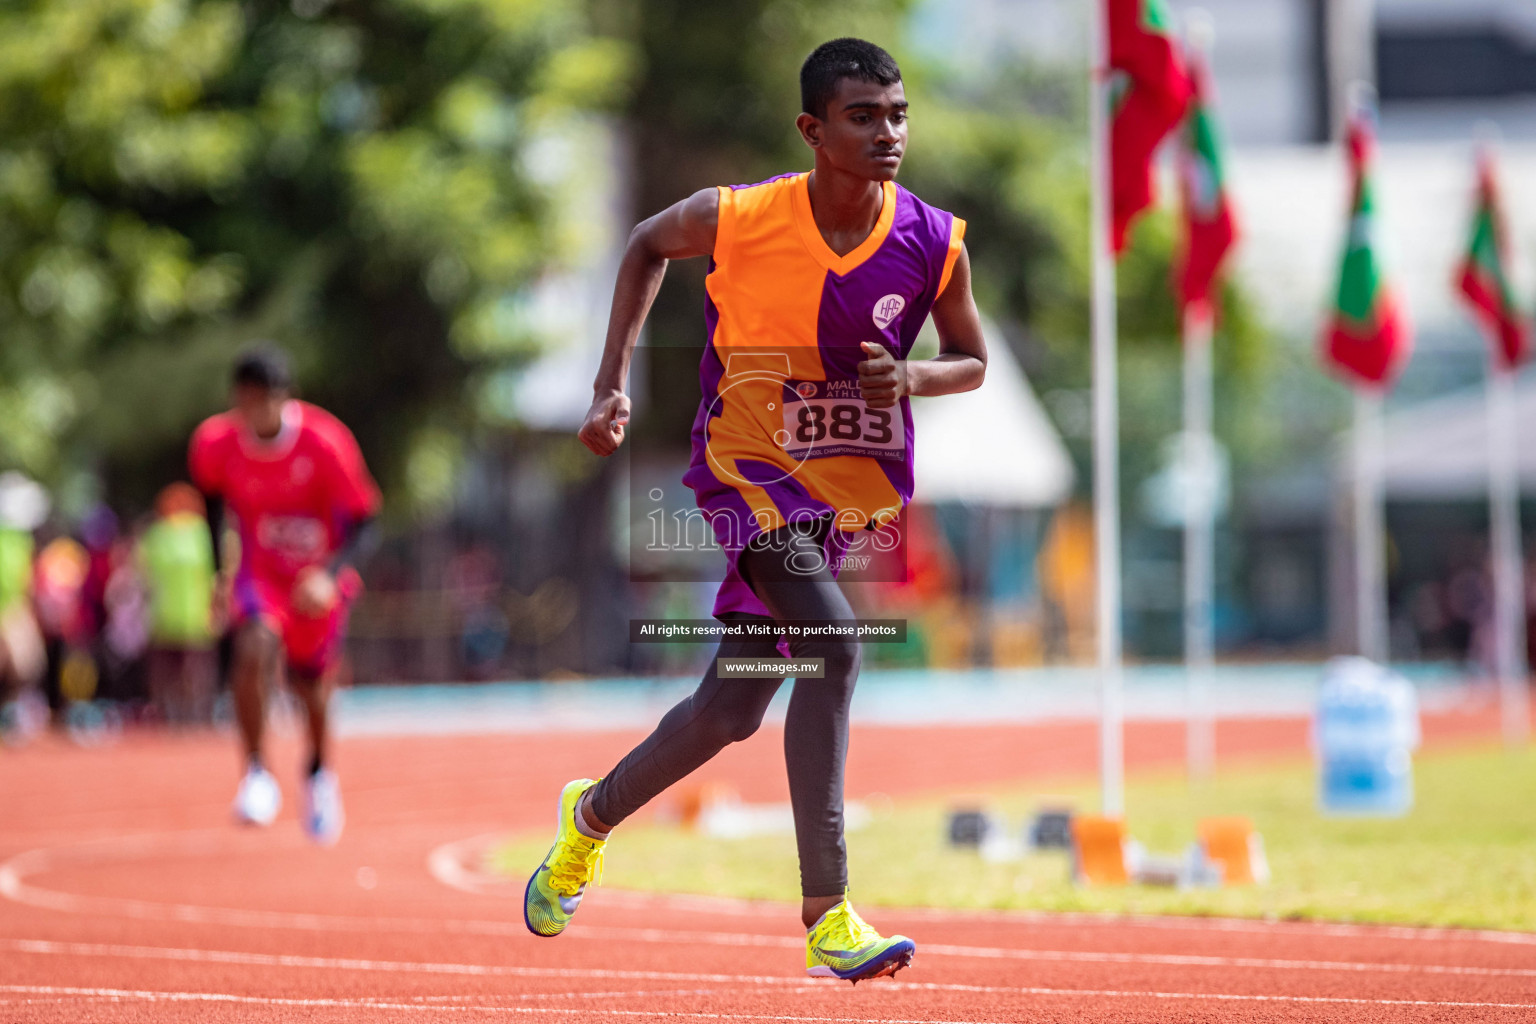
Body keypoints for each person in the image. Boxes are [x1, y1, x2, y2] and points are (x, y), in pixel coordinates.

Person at [524, 38, 987, 982]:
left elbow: (971, 358)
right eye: (863, 116)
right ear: (814, 130)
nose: (887, 133)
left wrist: (914, 375)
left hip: (838, 503)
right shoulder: (739, 218)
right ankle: (829, 915)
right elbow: (646, 243)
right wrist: (610, 383)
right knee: (839, 646)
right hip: (745, 477)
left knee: (730, 708)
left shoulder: (933, 239)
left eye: (897, 114)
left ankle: (589, 818)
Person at [189, 346, 381, 845]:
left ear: (283, 398)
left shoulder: (325, 441)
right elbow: (212, 503)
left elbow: (366, 519)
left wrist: (329, 573)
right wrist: (218, 574)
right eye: (245, 401)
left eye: (263, 400)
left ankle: (318, 774)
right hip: (261, 576)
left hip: (317, 578)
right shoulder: (216, 442)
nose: (254, 411)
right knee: (252, 647)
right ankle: (255, 772)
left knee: (310, 688)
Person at [138, 483, 219, 725]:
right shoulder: (160, 534)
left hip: (193, 616)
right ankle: (170, 714)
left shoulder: (197, 533)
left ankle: (193, 715)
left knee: (193, 671)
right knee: (168, 670)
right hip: (168, 616)